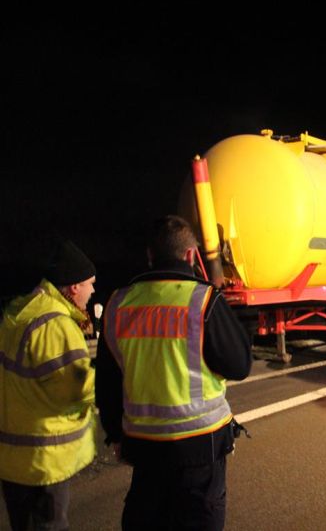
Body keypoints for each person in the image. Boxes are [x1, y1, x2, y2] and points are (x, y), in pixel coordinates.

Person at [95, 215, 252, 531]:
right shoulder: (203, 300)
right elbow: (239, 366)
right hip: (200, 447)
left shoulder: (118, 303)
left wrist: (115, 432)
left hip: (143, 446)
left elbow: (108, 381)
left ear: (150, 255)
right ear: (192, 255)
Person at [0, 239, 97, 531]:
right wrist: (103, 383)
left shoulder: (20, 312)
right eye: (90, 284)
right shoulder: (56, 325)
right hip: (43, 462)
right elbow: (72, 391)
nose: (93, 291)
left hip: (14, 458)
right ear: (74, 287)